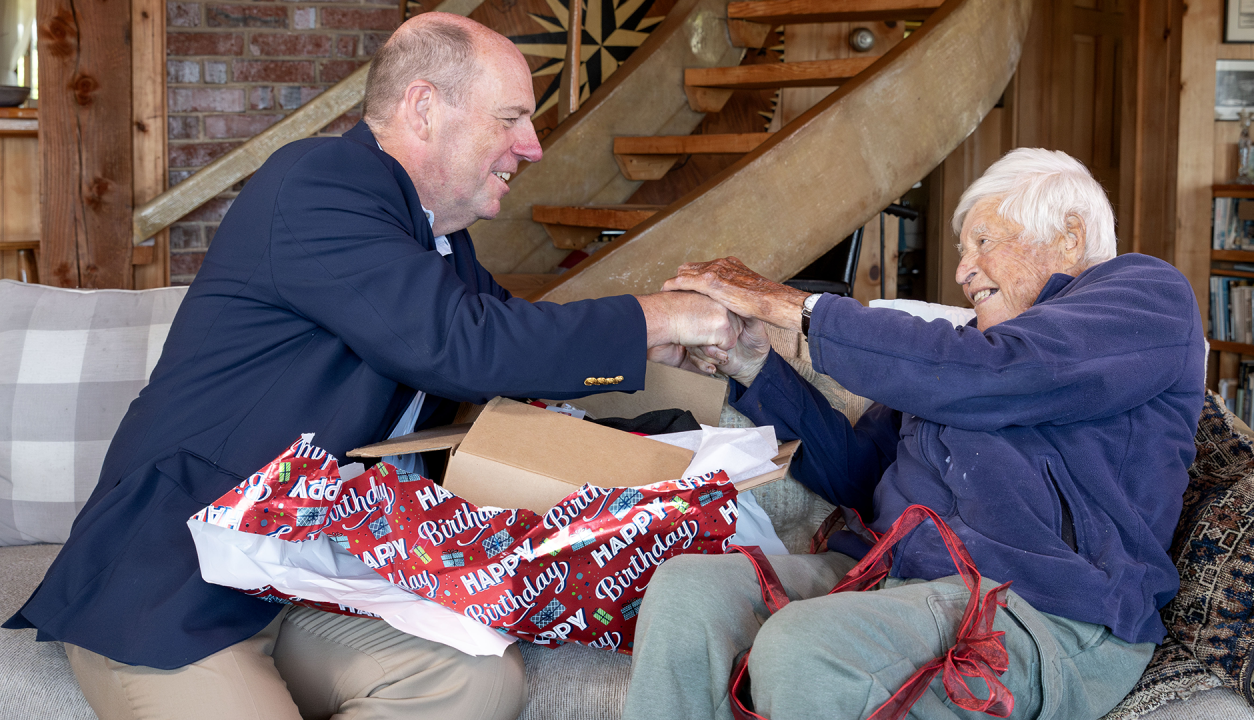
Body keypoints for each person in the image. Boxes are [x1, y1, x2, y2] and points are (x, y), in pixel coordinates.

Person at [4, 13, 738, 720]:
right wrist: (658, 315)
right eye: (510, 118)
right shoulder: (319, 185)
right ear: (424, 108)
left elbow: (501, 351)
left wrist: (652, 350)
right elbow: (461, 344)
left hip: (298, 572)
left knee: (474, 680)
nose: (534, 145)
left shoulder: (428, 232)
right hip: (178, 574)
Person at [622, 148, 1206, 720]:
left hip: (1039, 605)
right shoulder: (957, 358)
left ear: (1071, 236)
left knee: (807, 647)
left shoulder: (1144, 298)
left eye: (983, 242)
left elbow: (1007, 371)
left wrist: (797, 307)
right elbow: (857, 473)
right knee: (684, 595)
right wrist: (752, 366)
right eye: (962, 250)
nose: (962, 271)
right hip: (891, 579)